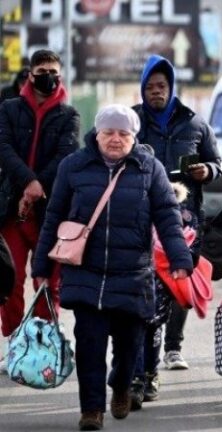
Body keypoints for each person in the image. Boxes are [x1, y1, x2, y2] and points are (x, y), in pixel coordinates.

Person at [31, 104, 193, 431]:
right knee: (89, 343)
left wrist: (179, 258)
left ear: (134, 137)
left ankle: (120, 385)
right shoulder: (73, 167)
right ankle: (91, 409)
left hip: (132, 273)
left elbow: (167, 217)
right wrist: (42, 265)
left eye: (124, 133)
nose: (116, 139)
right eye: (109, 132)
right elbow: (53, 216)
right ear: (97, 133)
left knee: (129, 343)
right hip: (85, 271)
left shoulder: (150, 169)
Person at [133, 54, 222, 378]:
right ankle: (145, 356)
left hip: (186, 215)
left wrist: (206, 171)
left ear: (171, 88)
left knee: (181, 276)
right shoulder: (132, 123)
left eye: (162, 86)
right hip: (143, 213)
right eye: (150, 87)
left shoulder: (195, 123)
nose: (156, 92)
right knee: (152, 281)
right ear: (142, 90)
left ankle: (173, 347)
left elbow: (216, 164)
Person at [0, 50, 80, 371]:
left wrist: (36, 188)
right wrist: (26, 184)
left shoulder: (68, 115)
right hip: (10, 210)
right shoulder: (8, 110)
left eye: (54, 71)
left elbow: (65, 157)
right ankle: (13, 342)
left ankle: (43, 343)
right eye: (42, 70)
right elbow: (3, 149)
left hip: (51, 213)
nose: (49, 75)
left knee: (48, 282)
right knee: (10, 279)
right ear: (30, 75)